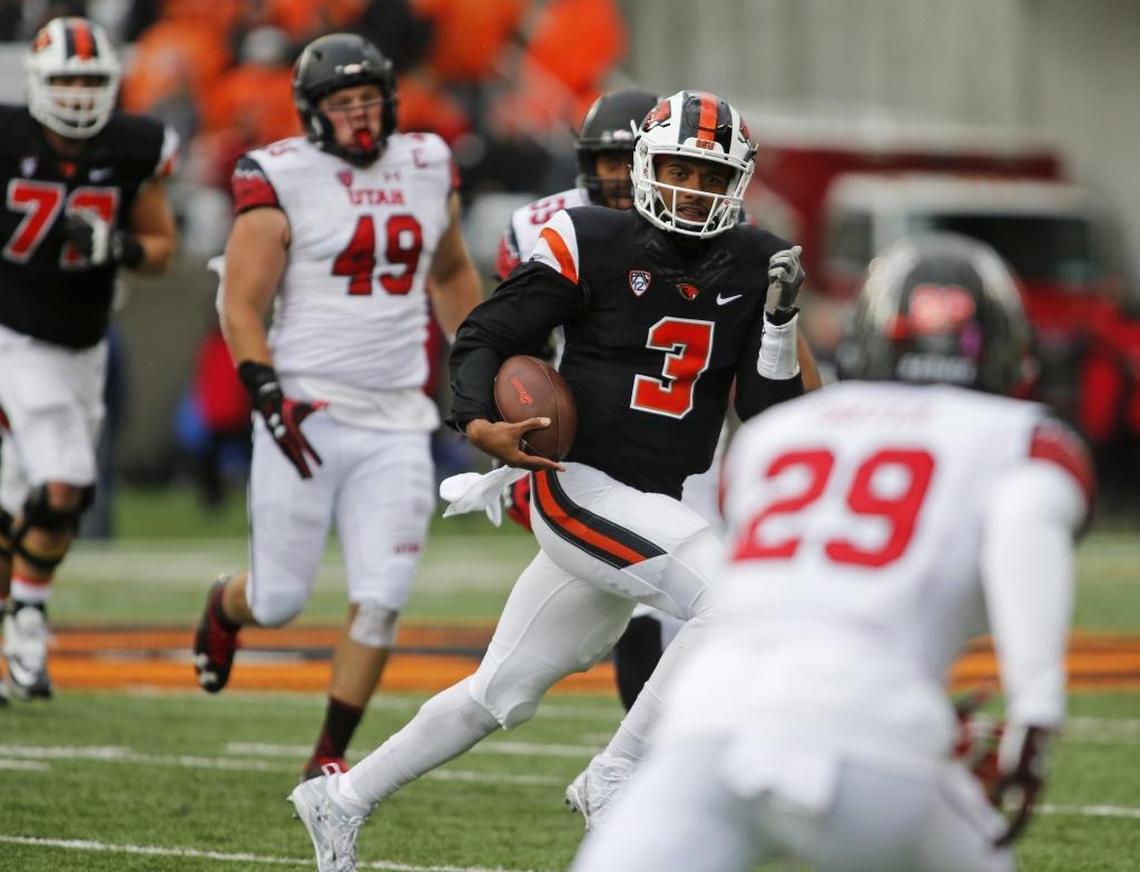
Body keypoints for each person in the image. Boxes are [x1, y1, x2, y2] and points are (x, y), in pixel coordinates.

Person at [288, 89, 807, 870]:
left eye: (707, 174)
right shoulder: (590, 239)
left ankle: (341, 798)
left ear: (734, 182)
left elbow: (769, 418)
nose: (692, 188)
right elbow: (484, 336)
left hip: (649, 499)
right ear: (644, 166)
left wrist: (777, 327)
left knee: (501, 692)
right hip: (575, 482)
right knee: (730, 595)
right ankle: (620, 770)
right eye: (676, 168)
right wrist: (474, 423)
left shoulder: (755, 261)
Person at [571, 233, 1095, 872]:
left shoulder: (776, 437)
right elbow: (1024, 525)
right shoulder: (1019, 437)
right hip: (871, 728)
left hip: (710, 720)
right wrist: (1037, 711)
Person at [190, 33, 483, 781]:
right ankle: (228, 606)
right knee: (280, 600)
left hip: (396, 417)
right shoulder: (281, 174)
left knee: (381, 599)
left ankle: (328, 757)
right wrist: (263, 390)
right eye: (341, 103)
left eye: (368, 100)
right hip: (305, 411)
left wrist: (478, 357)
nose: (358, 116)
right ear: (311, 113)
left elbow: (449, 271)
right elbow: (242, 302)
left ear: (390, 101)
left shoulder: (426, 163)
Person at [497, 87, 822, 713]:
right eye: (609, 162)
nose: (619, 178)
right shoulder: (557, 228)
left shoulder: (728, 231)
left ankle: (661, 753)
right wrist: (508, 436)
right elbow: (514, 345)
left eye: (630, 162)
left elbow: (780, 365)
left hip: (689, 438)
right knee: (679, 601)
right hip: (585, 438)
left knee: (693, 602)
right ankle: (635, 764)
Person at [0, 16, 178, 701]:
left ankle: (20, 616)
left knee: (30, 502)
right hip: (13, 331)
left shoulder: (133, 146)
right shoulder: (8, 137)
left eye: (91, 80)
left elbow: (160, 247)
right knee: (67, 480)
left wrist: (118, 247)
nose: (78, 94)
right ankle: (30, 626)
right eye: (67, 79)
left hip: (85, 341)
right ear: (39, 84)